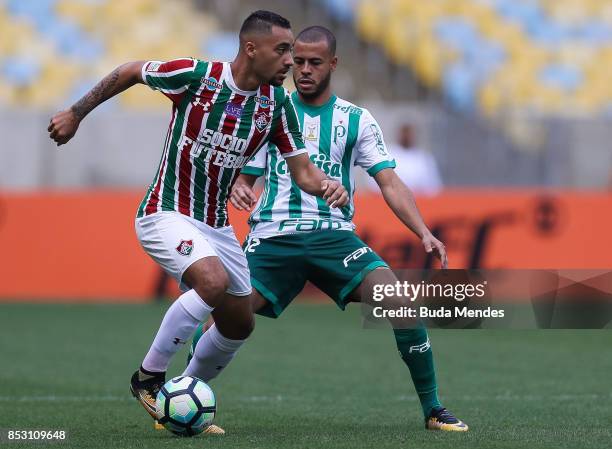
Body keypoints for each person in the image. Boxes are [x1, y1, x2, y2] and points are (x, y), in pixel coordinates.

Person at [47, 11, 348, 435]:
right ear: (251, 49)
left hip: (216, 225)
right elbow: (131, 70)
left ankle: (183, 397)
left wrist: (327, 186)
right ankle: (149, 379)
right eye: (282, 51)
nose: (290, 61)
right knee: (211, 281)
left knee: (239, 323)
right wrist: (76, 112)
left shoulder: (277, 106)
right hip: (165, 212)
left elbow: (303, 172)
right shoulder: (197, 76)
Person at [186, 26, 468, 432]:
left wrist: (422, 230)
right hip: (273, 238)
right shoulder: (269, 110)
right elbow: (244, 176)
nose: (303, 70)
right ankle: (181, 394)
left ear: (333, 64)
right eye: (297, 61)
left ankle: (433, 409)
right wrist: (240, 189)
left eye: (314, 63)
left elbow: (388, 180)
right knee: (227, 320)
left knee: (400, 305)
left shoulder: (357, 120)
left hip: (334, 237)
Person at [369, 124, 443, 195]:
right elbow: (374, 183)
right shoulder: (386, 154)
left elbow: (434, 187)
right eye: (405, 133)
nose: (407, 136)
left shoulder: (424, 158)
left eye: (410, 133)